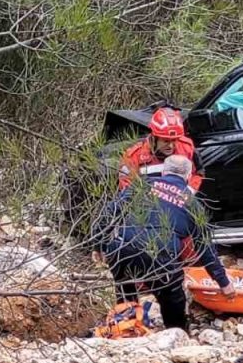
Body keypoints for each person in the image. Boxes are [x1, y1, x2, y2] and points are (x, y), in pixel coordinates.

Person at [95, 155, 234, 330]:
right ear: (188, 176)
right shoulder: (192, 203)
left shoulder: (141, 186)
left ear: (163, 171)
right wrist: (223, 282)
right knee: (172, 296)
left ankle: (126, 328)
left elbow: (108, 213)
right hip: (161, 254)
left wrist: (98, 245)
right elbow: (205, 249)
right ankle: (175, 331)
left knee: (125, 288)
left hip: (122, 248)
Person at [118, 103, 204, 192]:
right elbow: (126, 186)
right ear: (154, 138)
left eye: (174, 140)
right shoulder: (134, 156)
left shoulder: (186, 147)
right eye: (166, 141)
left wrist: (187, 193)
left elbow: (198, 173)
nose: (170, 146)